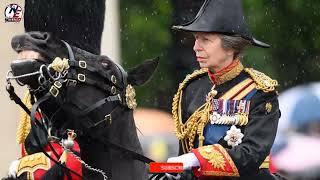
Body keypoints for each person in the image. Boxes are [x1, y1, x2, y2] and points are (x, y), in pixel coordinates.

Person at [166, 0, 282, 179]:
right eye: (196, 38)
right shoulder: (191, 88)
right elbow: (185, 153)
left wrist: (197, 159)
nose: (196, 47)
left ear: (230, 47)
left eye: (205, 40)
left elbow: (252, 154)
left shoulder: (259, 92)